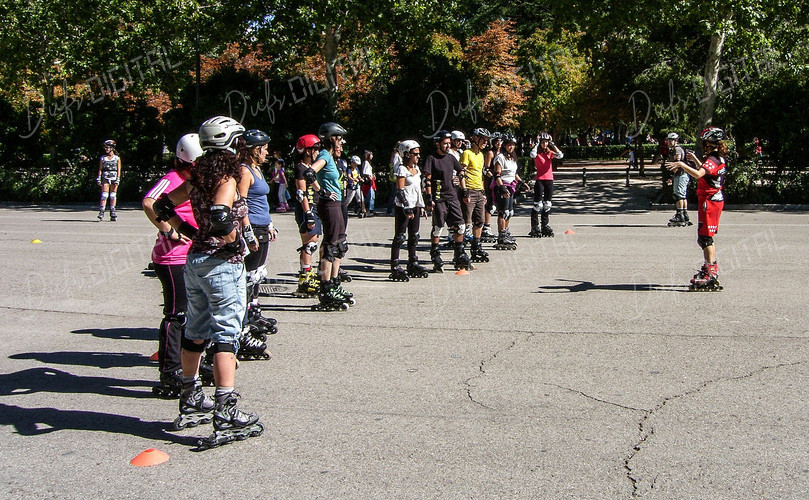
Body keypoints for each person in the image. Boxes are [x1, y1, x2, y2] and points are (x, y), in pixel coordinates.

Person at [152, 115, 263, 447]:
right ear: (231, 143)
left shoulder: (199, 174)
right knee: (227, 333)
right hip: (220, 263)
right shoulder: (228, 177)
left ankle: (190, 398)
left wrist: (187, 232)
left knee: (195, 330)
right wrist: (232, 241)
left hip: (195, 261)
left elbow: (162, 204)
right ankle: (226, 412)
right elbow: (220, 214)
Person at [142, 134, 203, 397]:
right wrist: (169, 231)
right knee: (177, 315)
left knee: (196, 313)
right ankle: (170, 374)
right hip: (172, 257)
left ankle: (196, 366)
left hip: (194, 254)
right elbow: (149, 202)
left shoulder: (196, 180)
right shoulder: (173, 178)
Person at [667, 127, 728, 291]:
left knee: (705, 238)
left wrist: (682, 164)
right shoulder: (716, 158)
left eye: (705, 142)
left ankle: (711, 271)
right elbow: (708, 173)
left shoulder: (712, 159)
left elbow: (699, 174)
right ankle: (711, 268)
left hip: (709, 201)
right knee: (706, 237)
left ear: (709, 142)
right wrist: (695, 160)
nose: (704, 144)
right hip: (712, 199)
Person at [237, 129, 278, 358]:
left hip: (262, 227)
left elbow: (261, 201)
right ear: (255, 149)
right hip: (252, 228)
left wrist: (270, 223)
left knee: (257, 275)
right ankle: (242, 328)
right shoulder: (244, 170)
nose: (267, 152)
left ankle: (252, 314)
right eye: (264, 148)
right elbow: (241, 203)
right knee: (248, 277)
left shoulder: (257, 169)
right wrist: (248, 232)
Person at [305, 122, 355, 310]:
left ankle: (334, 283)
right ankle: (325, 287)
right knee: (331, 244)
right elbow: (310, 173)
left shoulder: (333, 158)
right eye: (340, 138)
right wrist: (323, 192)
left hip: (338, 203)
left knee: (340, 243)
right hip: (329, 204)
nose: (342, 142)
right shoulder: (325, 155)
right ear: (332, 138)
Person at [423, 130, 472, 272]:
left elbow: (462, 171)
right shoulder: (431, 159)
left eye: (449, 143)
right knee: (438, 227)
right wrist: (428, 198)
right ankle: (435, 253)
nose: (448, 146)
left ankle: (459, 253)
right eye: (445, 143)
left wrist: (460, 178)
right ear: (437, 143)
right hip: (439, 198)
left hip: (452, 197)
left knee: (461, 226)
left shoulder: (451, 158)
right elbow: (427, 179)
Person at [389, 140, 429, 281]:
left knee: (414, 236)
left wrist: (421, 205)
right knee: (400, 236)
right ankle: (395, 265)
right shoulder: (402, 169)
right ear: (406, 154)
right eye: (415, 154)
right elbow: (400, 191)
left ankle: (413, 262)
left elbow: (417, 190)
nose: (418, 156)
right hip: (404, 207)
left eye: (418, 153)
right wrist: (407, 207)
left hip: (416, 206)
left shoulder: (416, 169)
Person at [292, 134, 325, 297]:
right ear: (306, 151)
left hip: (315, 208)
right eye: (315, 149)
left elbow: (316, 186)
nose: (317, 152)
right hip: (307, 209)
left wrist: (324, 191)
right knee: (310, 244)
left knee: (312, 242)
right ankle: (305, 279)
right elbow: (301, 192)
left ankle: (306, 277)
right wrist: (308, 213)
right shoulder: (300, 168)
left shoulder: (310, 168)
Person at [460, 128, 491, 263]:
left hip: (479, 191)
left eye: (486, 140)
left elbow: (481, 175)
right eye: (483, 139)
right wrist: (464, 191)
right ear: (475, 138)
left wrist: (483, 192)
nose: (485, 142)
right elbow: (462, 173)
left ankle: (476, 247)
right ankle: (460, 249)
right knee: (466, 222)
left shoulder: (481, 155)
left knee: (479, 221)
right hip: (469, 190)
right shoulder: (467, 153)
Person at [528, 132, 564, 237]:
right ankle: (534, 226)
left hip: (549, 179)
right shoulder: (537, 153)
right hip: (540, 180)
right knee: (537, 204)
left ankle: (545, 225)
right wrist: (536, 144)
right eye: (543, 142)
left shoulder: (550, 153)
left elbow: (560, 155)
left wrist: (552, 145)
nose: (545, 144)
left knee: (547, 204)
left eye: (546, 142)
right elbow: (532, 154)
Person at [492, 133, 523, 250]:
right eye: (509, 145)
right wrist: (502, 188)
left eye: (513, 145)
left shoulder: (512, 157)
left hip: (511, 186)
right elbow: (497, 174)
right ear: (504, 145)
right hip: (502, 186)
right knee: (503, 212)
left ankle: (505, 232)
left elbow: (514, 174)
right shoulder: (500, 157)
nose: (511, 147)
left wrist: (522, 182)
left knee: (509, 212)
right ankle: (501, 235)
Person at [664, 132, 693, 227]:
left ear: (676, 141)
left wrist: (670, 177)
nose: (669, 142)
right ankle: (684, 214)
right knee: (682, 195)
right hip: (683, 175)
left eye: (671, 140)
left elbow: (676, 163)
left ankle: (680, 215)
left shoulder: (677, 149)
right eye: (668, 140)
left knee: (678, 195)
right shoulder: (676, 149)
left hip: (680, 175)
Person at [481, 132, 502, 242]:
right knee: (490, 204)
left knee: (499, 205)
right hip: (491, 181)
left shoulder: (503, 153)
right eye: (496, 141)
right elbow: (486, 169)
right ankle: (486, 227)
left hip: (500, 181)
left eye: (500, 141)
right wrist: (493, 177)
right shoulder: (491, 153)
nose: (499, 143)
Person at [96, 140, 122, 221]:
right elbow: (100, 168)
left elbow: (119, 169)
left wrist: (118, 178)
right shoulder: (103, 158)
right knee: (104, 195)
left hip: (114, 177)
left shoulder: (117, 158)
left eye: (108, 147)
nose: (106, 149)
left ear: (112, 148)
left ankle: (113, 211)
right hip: (105, 176)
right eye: (105, 147)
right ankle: (101, 211)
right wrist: (99, 177)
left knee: (113, 195)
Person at [361, 150, 377, 215]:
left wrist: (373, 176)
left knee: (371, 195)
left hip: (370, 180)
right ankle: (370, 209)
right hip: (368, 181)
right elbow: (365, 172)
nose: (372, 156)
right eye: (371, 155)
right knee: (370, 195)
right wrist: (370, 178)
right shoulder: (366, 163)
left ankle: (371, 208)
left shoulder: (368, 163)